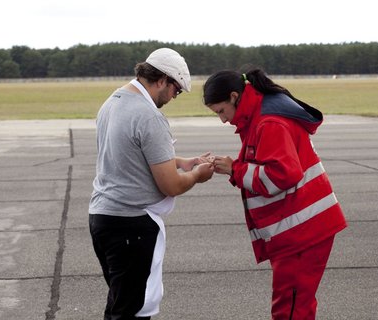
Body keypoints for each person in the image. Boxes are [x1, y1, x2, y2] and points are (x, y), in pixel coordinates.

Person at [202, 69, 347, 320]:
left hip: (303, 232)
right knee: (295, 303)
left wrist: (235, 169)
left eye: (221, 111)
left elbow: (283, 174)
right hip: (301, 229)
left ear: (235, 96)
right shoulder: (260, 116)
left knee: (290, 309)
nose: (222, 120)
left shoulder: (269, 122)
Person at [89, 48, 214, 320]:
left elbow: (128, 153)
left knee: (119, 304)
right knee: (134, 310)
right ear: (161, 80)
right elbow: (171, 186)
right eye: (176, 90)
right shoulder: (149, 116)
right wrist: (196, 175)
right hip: (131, 226)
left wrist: (180, 161)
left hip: (103, 218)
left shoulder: (112, 102)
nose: (173, 97)